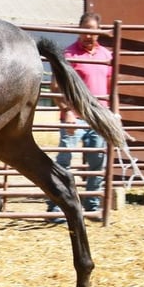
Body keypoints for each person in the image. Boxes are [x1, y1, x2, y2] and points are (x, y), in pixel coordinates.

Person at [47, 12, 114, 221]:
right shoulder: (68, 54)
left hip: (97, 117)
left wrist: (112, 113)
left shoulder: (106, 55)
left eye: (93, 31)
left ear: (98, 32)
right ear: (79, 30)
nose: (88, 35)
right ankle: (55, 208)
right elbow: (56, 86)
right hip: (74, 117)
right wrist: (67, 111)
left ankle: (92, 206)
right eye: (85, 31)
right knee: (64, 161)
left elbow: (112, 87)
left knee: (98, 162)